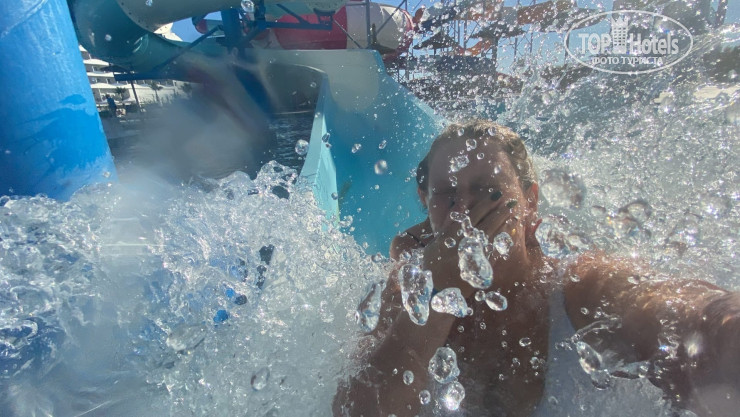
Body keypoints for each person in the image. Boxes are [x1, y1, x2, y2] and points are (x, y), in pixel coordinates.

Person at [334, 119, 740, 416]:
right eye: (446, 193)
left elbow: (693, 317)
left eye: (488, 191)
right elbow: (354, 410)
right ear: (426, 203)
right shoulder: (406, 292)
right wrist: (437, 292)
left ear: (529, 201)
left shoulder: (585, 287)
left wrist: (722, 327)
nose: (465, 209)